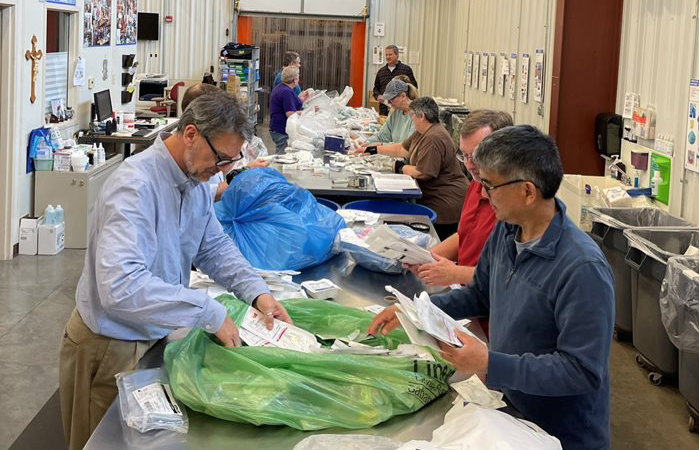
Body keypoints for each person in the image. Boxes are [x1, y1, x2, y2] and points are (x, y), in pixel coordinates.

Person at [59, 93, 292, 450]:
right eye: (221, 158)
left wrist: (257, 292)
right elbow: (121, 286)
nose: (223, 169)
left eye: (230, 162)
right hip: (109, 344)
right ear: (191, 134)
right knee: (103, 442)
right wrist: (207, 311)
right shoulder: (135, 186)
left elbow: (212, 245)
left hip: (151, 334)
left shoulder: (194, 179)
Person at [369, 125, 615, 450]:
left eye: (490, 185)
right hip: (512, 412)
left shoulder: (582, 268)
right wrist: (415, 311)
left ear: (528, 192)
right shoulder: (507, 230)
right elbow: (480, 294)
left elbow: (581, 370)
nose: (483, 194)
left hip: (563, 433)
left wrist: (489, 363)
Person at [408, 110, 513, 287]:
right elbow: (464, 236)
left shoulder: (512, 204)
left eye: (477, 156)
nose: (470, 165)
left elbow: (510, 278)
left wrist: (457, 274)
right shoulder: (476, 184)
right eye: (464, 156)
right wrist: (424, 258)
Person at [375, 96, 467, 240]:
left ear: (422, 116)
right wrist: (375, 150)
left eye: (412, 116)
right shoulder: (422, 132)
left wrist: (401, 167)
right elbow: (401, 149)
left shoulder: (434, 138)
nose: (411, 119)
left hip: (444, 202)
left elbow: (423, 173)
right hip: (433, 196)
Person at [180, 83, 271, 202]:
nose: (224, 168)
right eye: (222, 157)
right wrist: (245, 172)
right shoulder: (192, 163)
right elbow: (209, 193)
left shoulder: (204, 154)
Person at [355, 78, 418, 153]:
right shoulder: (396, 112)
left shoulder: (417, 115)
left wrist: (381, 145)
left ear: (403, 96)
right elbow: (382, 136)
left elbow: (407, 147)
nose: (388, 103)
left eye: (391, 100)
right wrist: (366, 142)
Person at [373, 45, 418, 116]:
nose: (387, 57)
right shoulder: (381, 71)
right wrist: (378, 96)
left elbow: (413, 87)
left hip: (400, 110)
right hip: (384, 109)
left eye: (390, 54)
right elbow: (376, 88)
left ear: (397, 55)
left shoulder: (406, 69)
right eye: (386, 55)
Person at [269, 66, 304, 154]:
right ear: (294, 79)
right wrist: (308, 112)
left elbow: (288, 103)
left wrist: (301, 99)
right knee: (282, 156)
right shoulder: (286, 92)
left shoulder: (281, 88)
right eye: (298, 76)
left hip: (276, 128)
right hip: (281, 130)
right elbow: (290, 114)